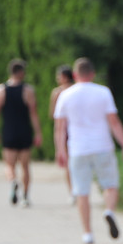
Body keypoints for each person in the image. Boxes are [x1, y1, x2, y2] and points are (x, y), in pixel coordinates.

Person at [53, 57, 123, 244]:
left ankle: (87, 233)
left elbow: (60, 128)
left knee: (82, 192)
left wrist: (60, 151)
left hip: (78, 149)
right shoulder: (103, 92)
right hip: (103, 145)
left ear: (74, 75)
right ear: (93, 74)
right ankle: (109, 211)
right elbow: (114, 122)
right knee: (110, 185)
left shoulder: (65, 95)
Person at [0, 59, 43, 207]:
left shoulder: (0, 90)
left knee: (9, 164)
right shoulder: (28, 90)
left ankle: (13, 181)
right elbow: (34, 113)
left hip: (9, 131)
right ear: (20, 72)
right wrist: (38, 133)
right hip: (24, 130)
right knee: (25, 166)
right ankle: (26, 196)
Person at [49, 65, 75, 203]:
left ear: (64, 77)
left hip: (64, 130)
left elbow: (54, 115)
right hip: (75, 129)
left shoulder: (57, 93)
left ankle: (72, 192)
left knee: (69, 164)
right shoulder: (76, 90)